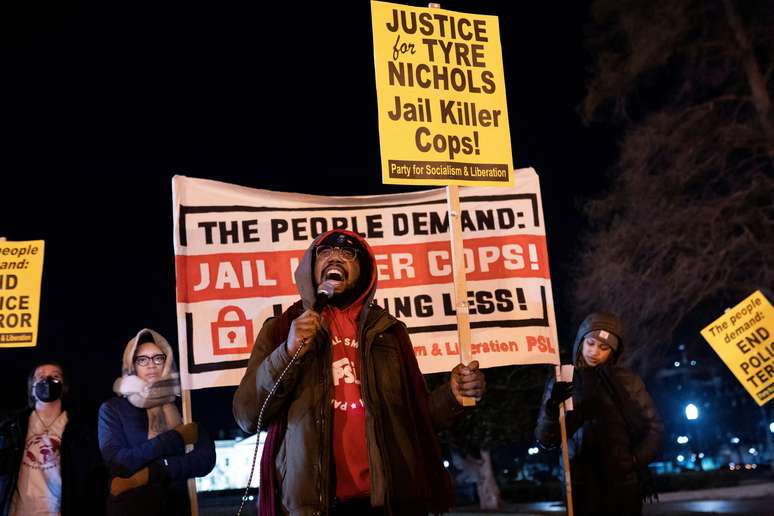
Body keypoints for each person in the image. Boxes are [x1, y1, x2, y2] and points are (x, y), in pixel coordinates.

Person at [233, 229, 486, 516]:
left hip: (386, 503)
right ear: (310, 267)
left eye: (347, 253)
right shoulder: (280, 329)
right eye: (326, 251)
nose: (335, 257)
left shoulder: (389, 332)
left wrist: (452, 396)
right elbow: (247, 415)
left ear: (364, 270)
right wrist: (287, 351)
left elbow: (415, 421)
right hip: (311, 505)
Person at [535, 312, 664, 516]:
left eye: (604, 348)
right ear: (581, 341)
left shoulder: (628, 381)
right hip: (580, 485)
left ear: (613, 352)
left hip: (623, 485)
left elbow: (654, 427)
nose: (594, 352)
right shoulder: (563, 379)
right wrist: (552, 407)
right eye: (591, 343)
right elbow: (545, 439)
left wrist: (633, 461)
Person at [98, 329, 215, 516]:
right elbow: (119, 462)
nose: (151, 364)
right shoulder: (113, 409)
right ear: (132, 365)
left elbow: (204, 460)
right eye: (142, 360)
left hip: (175, 507)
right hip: (130, 509)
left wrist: (151, 472)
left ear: (167, 362)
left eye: (158, 358)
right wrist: (176, 438)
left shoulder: (184, 405)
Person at [0, 361, 107, 516]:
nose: (48, 381)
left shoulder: (80, 428)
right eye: (41, 377)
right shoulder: (12, 425)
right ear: (32, 388)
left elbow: (91, 474)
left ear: (64, 388)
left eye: (55, 376)